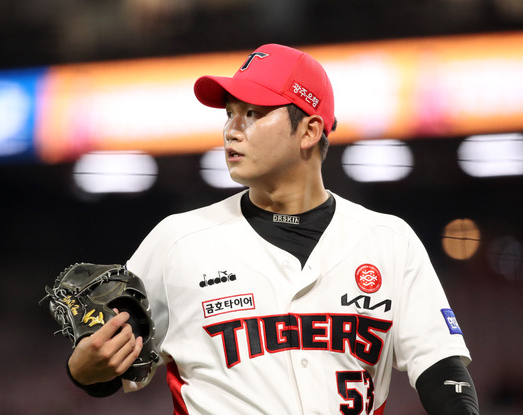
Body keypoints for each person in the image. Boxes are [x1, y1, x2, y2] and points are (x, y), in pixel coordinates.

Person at [66, 43, 479, 414]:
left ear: (310, 130)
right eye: (229, 114)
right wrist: (84, 370)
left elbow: (441, 368)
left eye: (253, 113)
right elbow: (113, 365)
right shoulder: (178, 240)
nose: (231, 129)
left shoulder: (389, 241)